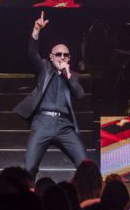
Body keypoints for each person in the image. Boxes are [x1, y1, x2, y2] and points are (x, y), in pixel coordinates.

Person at [13, 12, 88, 177]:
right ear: (51, 57)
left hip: (64, 125)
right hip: (43, 123)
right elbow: (32, 53)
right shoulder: (44, 68)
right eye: (58, 54)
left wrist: (68, 75)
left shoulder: (73, 76)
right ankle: (29, 192)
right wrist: (36, 30)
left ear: (69, 59)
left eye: (65, 55)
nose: (62, 57)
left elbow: (80, 95)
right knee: (29, 168)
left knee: (86, 165)